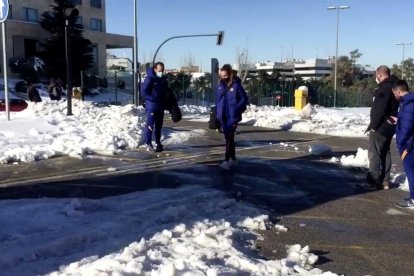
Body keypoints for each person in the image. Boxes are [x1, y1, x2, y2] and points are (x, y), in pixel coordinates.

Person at [362, 65, 399, 190]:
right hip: (391, 125)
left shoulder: (384, 88)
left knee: (375, 154)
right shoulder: (395, 86)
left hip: (381, 126)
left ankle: (373, 181)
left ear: (380, 74)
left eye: (376, 76)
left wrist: (374, 126)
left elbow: (380, 109)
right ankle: (385, 181)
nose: (375, 78)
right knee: (386, 152)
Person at [216, 64, 248, 170]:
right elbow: (218, 101)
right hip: (223, 116)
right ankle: (233, 158)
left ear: (229, 75)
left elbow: (244, 99)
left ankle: (226, 160)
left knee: (229, 138)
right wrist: (218, 114)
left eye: (225, 75)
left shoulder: (236, 86)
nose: (222, 78)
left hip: (232, 116)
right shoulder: (220, 85)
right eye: (221, 75)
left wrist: (237, 109)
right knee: (228, 138)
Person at [392, 80, 414, 208]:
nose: (395, 95)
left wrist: (401, 144)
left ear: (398, 91)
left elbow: (407, 126)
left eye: (395, 93)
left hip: (409, 145)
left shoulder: (409, 104)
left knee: (411, 171)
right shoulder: (408, 102)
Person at [141, 62, 169, 152]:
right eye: (159, 70)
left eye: (162, 70)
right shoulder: (149, 79)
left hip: (160, 106)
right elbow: (144, 92)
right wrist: (153, 98)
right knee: (150, 125)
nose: (161, 72)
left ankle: (158, 143)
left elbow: (166, 91)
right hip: (151, 106)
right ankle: (148, 143)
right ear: (155, 69)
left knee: (159, 126)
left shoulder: (163, 79)